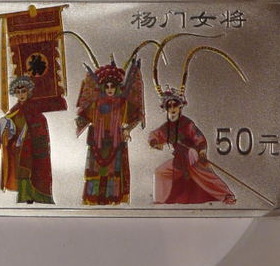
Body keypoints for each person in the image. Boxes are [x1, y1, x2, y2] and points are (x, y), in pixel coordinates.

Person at [148, 88, 235, 205]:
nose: (172, 108)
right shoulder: (166, 127)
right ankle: (160, 200)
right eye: (169, 106)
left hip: (191, 154)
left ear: (180, 107)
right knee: (160, 172)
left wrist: (202, 153)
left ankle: (226, 195)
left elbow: (200, 139)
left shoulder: (187, 124)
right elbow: (155, 135)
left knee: (204, 175)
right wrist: (154, 143)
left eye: (175, 105)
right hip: (179, 158)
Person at [75, 57, 144, 205]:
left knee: (114, 171)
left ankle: (112, 198)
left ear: (117, 87)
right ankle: (94, 197)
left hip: (115, 141)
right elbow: (84, 117)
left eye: (112, 86)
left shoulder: (122, 104)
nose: (110, 89)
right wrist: (80, 120)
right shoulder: (95, 104)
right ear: (102, 87)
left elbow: (136, 116)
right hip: (97, 141)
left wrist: (128, 129)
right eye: (107, 86)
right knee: (96, 171)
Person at [0, 76, 54, 205]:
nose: (21, 94)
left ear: (28, 91)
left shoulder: (35, 110)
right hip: (19, 148)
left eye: (23, 91)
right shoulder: (14, 111)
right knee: (22, 171)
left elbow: (40, 128)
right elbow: (9, 131)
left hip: (33, 147)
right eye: (18, 92)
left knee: (35, 171)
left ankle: (38, 196)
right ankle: (25, 196)